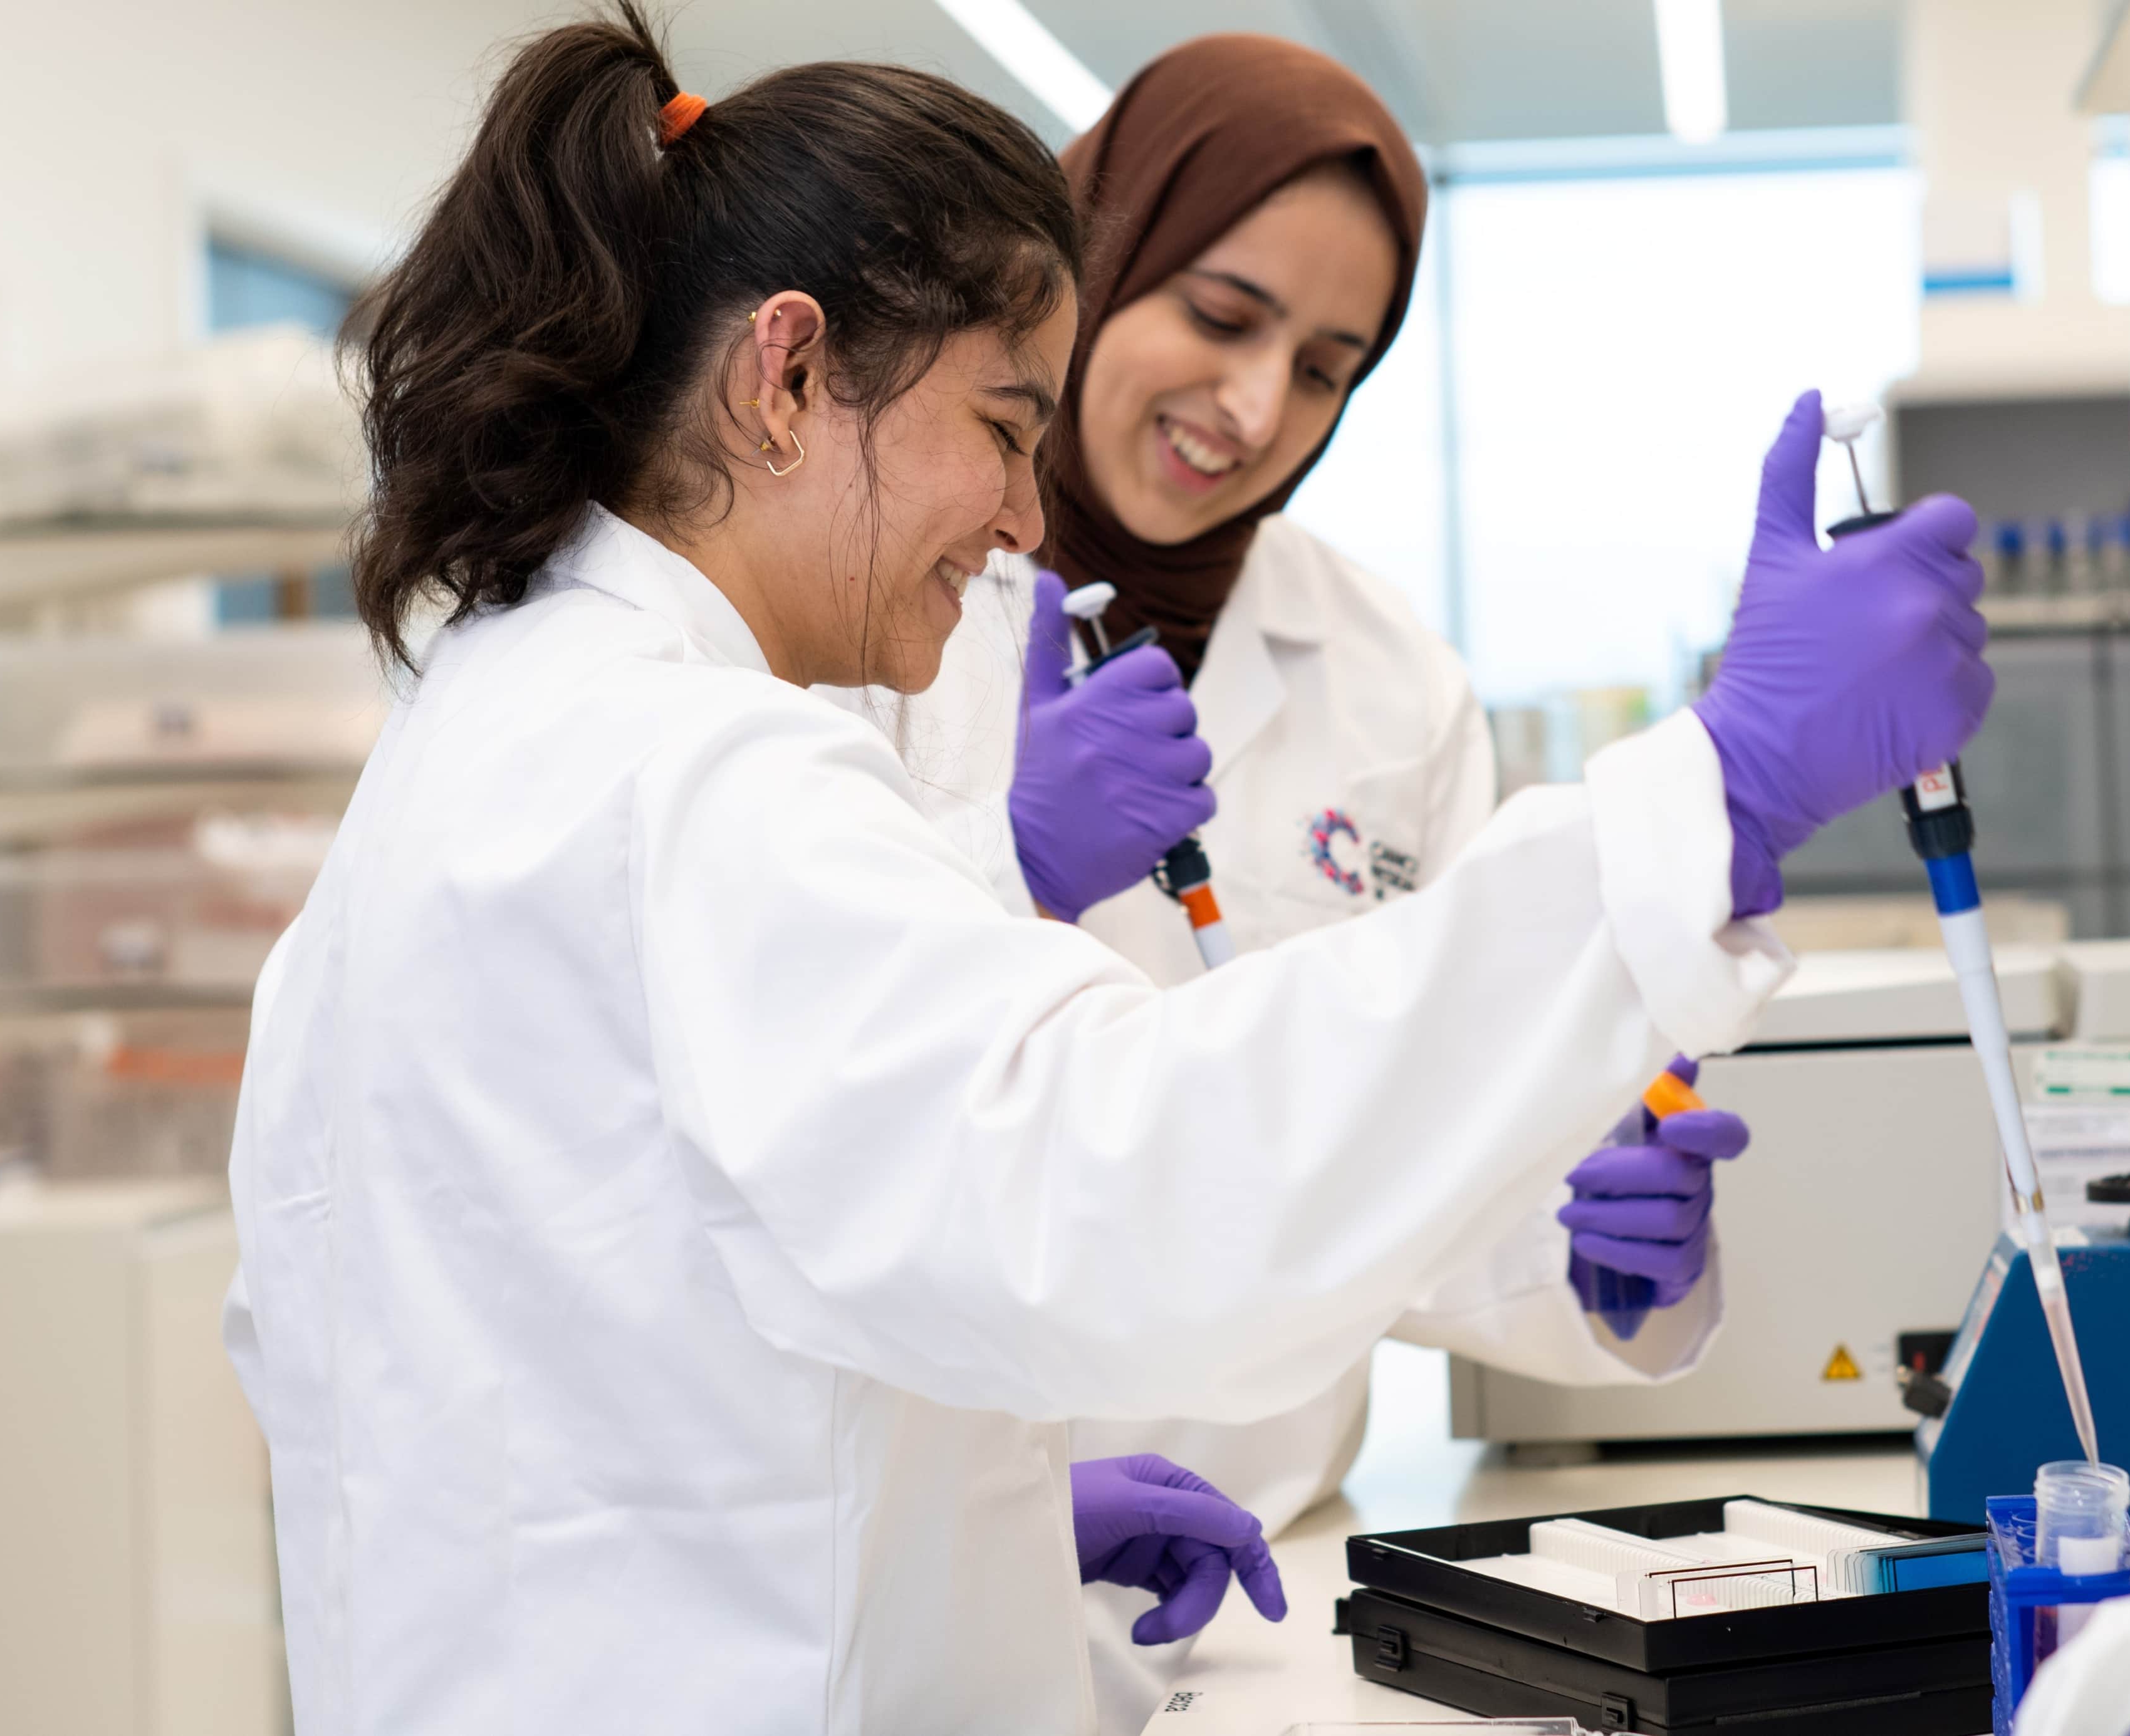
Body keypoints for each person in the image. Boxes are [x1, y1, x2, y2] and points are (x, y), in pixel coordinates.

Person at [221, 8, 1992, 1734]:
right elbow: (1128, 1184)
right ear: (783, 376)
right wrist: (1723, 793)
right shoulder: (700, 777)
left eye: (1326, 363)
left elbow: (534, 1362)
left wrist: (951, 1521)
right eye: (1001, 429)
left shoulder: (471, 758)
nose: (1018, 516)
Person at [836, 38, 1756, 1725]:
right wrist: (1010, 869)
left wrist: (1597, 1250)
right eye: (1221, 311)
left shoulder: (1389, 681)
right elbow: (793, 1095)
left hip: (1265, 1586)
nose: (1256, 407)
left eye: (1329, 364)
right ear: (1088, 265)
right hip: (919, 1567)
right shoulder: (864, 611)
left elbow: (1414, 1137)